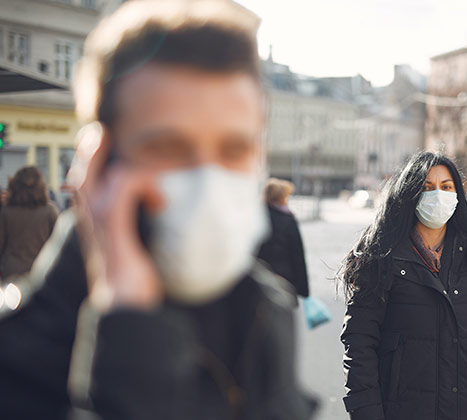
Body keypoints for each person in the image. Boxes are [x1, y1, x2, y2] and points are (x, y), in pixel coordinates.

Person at [0, 1, 315, 419]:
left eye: (234, 148)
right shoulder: (14, 356)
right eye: (169, 148)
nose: (208, 180)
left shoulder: (266, 310)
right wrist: (130, 331)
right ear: (101, 163)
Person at [339, 152, 467, 420]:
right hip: (401, 408)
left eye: (446, 187)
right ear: (409, 195)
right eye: (426, 187)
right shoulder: (380, 256)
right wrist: (365, 410)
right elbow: (359, 342)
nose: (438, 195)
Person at [0, 166, 59, 279]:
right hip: (41, 273)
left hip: (12, 273)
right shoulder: (50, 212)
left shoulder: (6, 212)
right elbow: (58, 246)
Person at [258, 178, 310, 301]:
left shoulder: (255, 217)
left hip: (258, 280)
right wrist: (304, 291)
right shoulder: (287, 220)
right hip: (284, 281)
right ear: (281, 197)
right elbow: (298, 256)